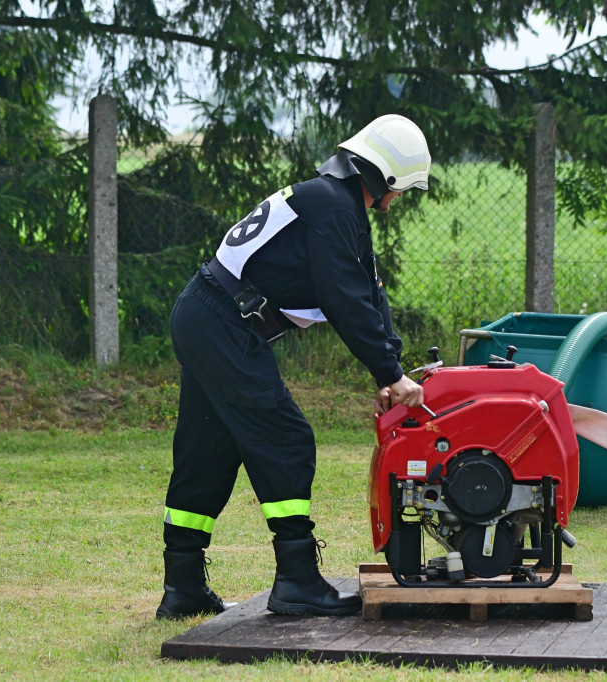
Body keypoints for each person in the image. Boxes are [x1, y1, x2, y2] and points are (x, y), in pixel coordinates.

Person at [156, 114, 431, 619]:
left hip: (208, 316)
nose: (400, 200)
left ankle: (183, 587)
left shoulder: (336, 205)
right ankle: (298, 580)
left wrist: (386, 372)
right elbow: (345, 301)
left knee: (207, 451)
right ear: (386, 177)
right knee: (286, 440)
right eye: (404, 189)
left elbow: (369, 293)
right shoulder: (332, 208)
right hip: (222, 323)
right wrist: (392, 376)